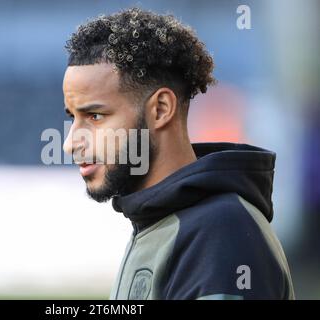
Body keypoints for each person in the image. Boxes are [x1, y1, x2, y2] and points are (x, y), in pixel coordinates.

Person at [62, 7, 294, 300]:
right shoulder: (160, 224)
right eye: (72, 117)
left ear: (160, 109)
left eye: (94, 116)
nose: (70, 143)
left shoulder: (221, 233)